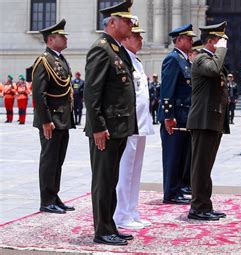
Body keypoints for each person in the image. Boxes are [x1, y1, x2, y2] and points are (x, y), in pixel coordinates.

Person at [84, 1, 137, 246]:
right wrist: (97, 127)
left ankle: (109, 225)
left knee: (111, 179)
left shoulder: (117, 49)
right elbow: (92, 93)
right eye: (126, 21)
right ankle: (102, 231)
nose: (131, 24)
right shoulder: (101, 49)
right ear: (112, 22)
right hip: (105, 130)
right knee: (103, 180)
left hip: (118, 128)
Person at [113, 17, 155, 230]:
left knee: (135, 170)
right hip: (128, 126)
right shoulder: (122, 60)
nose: (140, 39)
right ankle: (121, 214)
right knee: (125, 171)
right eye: (136, 36)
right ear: (126, 38)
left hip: (140, 124)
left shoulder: (136, 61)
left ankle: (132, 210)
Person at [31, 19, 76, 215]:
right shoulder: (43, 61)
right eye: (62, 36)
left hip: (63, 119)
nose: (66, 38)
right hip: (51, 121)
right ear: (51, 39)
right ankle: (46, 200)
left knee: (58, 160)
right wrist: (46, 121)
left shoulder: (60, 59)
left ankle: (54, 195)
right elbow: (39, 94)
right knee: (49, 160)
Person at [186, 21, 229, 221]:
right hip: (203, 120)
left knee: (206, 166)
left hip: (212, 120)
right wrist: (221, 50)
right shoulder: (201, 59)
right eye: (220, 41)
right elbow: (213, 70)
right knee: (200, 166)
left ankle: (205, 205)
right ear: (211, 41)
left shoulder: (210, 58)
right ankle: (197, 207)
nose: (224, 45)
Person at [158, 24, 196, 205]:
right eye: (188, 38)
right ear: (179, 40)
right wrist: (168, 116)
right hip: (175, 116)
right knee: (172, 156)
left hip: (184, 115)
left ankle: (179, 187)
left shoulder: (185, 60)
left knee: (182, 155)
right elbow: (167, 90)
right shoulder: (173, 59)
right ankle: (170, 192)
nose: (192, 41)